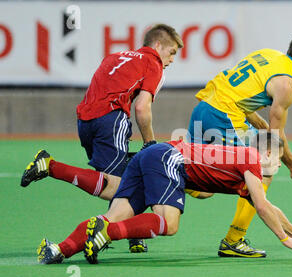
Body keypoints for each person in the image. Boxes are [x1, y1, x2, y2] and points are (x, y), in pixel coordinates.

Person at [21, 23, 184, 253]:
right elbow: (142, 108)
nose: (172, 60)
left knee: (123, 176)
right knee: (117, 186)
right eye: (172, 53)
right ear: (157, 45)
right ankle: (51, 166)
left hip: (85, 120)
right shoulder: (153, 63)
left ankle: (130, 235)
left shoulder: (114, 56)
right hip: (111, 119)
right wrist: (149, 144)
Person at [36, 132, 292, 264]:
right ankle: (107, 233)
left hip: (152, 156)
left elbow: (269, 207)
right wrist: (283, 240)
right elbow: (261, 206)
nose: (280, 167)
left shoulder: (245, 171)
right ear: (270, 155)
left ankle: (60, 249)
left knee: (113, 218)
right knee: (169, 223)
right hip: (167, 158)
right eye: (281, 161)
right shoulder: (251, 160)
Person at [187, 29, 292, 258]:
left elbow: (238, 96)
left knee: (201, 188)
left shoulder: (267, 55)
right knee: (265, 168)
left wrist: (261, 128)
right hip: (223, 117)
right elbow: (276, 138)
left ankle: (166, 177)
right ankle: (234, 240)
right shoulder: (285, 85)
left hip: (204, 109)